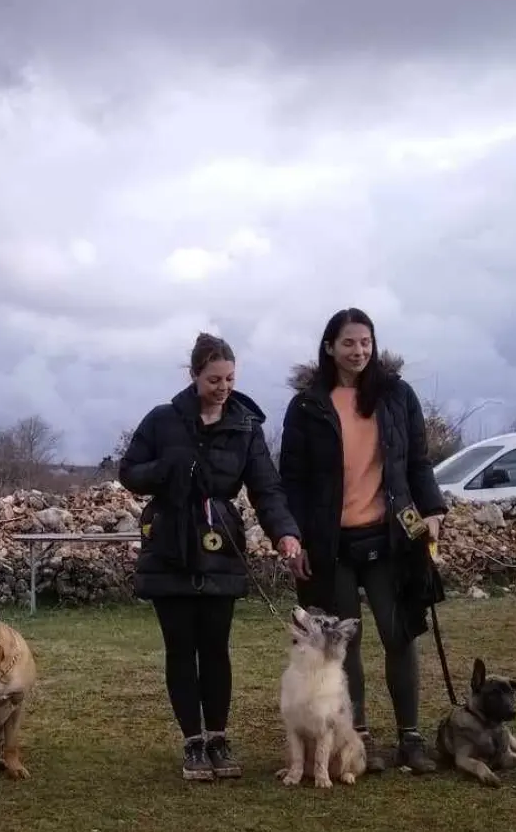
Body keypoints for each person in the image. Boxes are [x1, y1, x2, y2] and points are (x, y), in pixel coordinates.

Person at [118, 333, 303, 781]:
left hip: (221, 541)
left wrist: (285, 532)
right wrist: (167, 469)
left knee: (216, 647)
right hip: (170, 543)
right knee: (181, 647)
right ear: (194, 376)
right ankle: (193, 742)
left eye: (230, 379)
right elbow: (130, 473)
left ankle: (218, 737)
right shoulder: (162, 419)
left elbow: (266, 487)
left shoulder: (245, 426)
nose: (223, 387)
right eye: (214, 379)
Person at [278, 308, 448, 774]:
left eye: (366, 342)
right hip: (329, 542)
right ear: (330, 347)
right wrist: (294, 537)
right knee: (342, 642)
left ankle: (410, 738)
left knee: (400, 633)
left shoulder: (397, 396)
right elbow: (291, 479)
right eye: (349, 343)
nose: (358, 351)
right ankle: (358, 738)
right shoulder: (307, 405)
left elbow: (418, 461)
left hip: (390, 535)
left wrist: (433, 510)